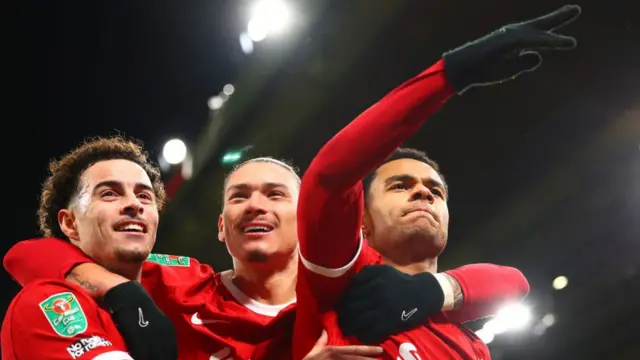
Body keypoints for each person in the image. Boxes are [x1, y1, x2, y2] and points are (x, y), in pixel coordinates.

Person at [6, 157, 530, 360]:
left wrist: (438, 289)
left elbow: (510, 281)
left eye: (278, 195)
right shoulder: (180, 284)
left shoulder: (356, 293)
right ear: (221, 227)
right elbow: (28, 254)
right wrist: (110, 284)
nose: (257, 205)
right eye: (239, 197)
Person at [293, 4, 581, 360]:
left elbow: (514, 282)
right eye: (399, 185)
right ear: (362, 221)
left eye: (436, 191)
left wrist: (434, 290)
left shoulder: (472, 345)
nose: (422, 192)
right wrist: (449, 75)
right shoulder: (341, 280)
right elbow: (329, 176)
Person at [1, 137, 178, 360]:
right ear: (70, 223)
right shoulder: (45, 303)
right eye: (109, 193)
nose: (135, 204)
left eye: (144, 196)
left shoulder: (183, 287)